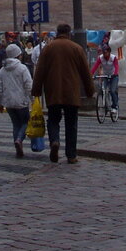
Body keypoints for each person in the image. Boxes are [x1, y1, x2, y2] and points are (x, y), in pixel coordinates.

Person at [31, 23, 95, 164]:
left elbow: (40, 71)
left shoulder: (48, 48)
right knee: (71, 123)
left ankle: (55, 141)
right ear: (69, 33)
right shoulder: (77, 48)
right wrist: (90, 91)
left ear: (57, 33)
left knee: (53, 120)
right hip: (71, 92)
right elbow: (85, 72)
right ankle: (71, 155)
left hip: (53, 92)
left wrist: (36, 90)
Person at [0, 43, 34, 157]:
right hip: (21, 101)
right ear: (18, 55)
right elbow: (28, 85)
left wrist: (0, 103)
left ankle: (17, 145)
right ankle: (19, 140)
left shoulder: (3, 70)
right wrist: (32, 99)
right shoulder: (22, 68)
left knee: (15, 124)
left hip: (8, 102)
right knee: (25, 122)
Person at [90, 42, 120, 117]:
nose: (104, 54)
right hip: (105, 75)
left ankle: (114, 106)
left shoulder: (113, 58)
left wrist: (115, 73)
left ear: (109, 52)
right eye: (103, 52)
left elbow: (116, 66)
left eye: (106, 52)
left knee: (112, 90)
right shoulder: (101, 58)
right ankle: (105, 104)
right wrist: (91, 74)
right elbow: (95, 66)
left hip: (113, 76)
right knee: (103, 89)